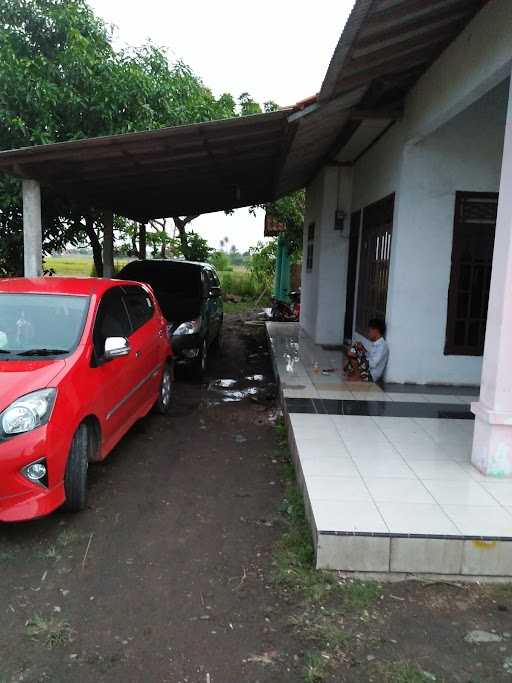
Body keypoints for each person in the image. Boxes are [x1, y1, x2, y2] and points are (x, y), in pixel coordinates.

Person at [344, 318, 389, 382]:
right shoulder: (377, 343)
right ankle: (355, 372)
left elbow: (373, 364)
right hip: (368, 368)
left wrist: (359, 358)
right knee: (356, 347)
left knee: (352, 353)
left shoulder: (382, 346)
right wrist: (363, 349)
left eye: (369, 331)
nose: (368, 334)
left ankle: (357, 375)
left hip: (371, 375)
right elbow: (370, 357)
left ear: (376, 331)